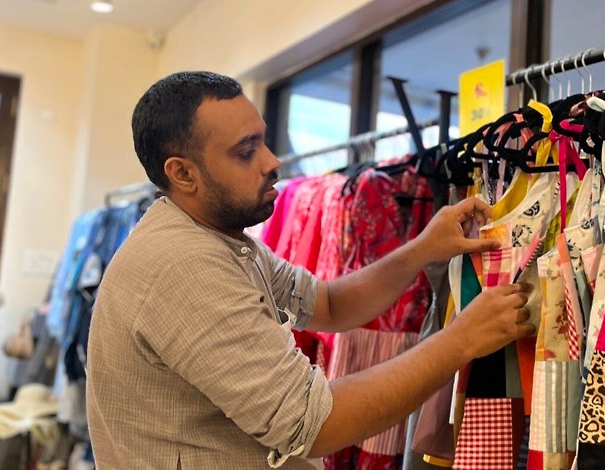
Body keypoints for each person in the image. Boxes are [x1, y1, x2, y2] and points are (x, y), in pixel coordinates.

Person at [86, 71, 534, 469]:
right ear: (183, 174)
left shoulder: (221, 240)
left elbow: (330, 304)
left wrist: (422, 248)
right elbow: (313, 423)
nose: (272, 162)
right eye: (246, 153)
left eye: (262, 140)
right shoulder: (184, 267)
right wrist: (461, 340)